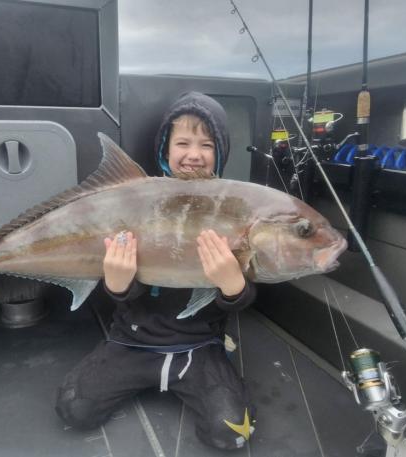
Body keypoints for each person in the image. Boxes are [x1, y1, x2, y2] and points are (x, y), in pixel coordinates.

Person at [55, 92, 257, 450]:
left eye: (206, 145)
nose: (194, 154)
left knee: (233, 433)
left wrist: (233, 287)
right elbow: (121, 289)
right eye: (183, 142)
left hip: (198, 346)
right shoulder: (134, 200)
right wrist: (118, 286)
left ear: (220, 154)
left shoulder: (233, 210)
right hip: (131, 341)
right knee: (75, 409)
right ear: (165, 149)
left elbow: (243, 294)